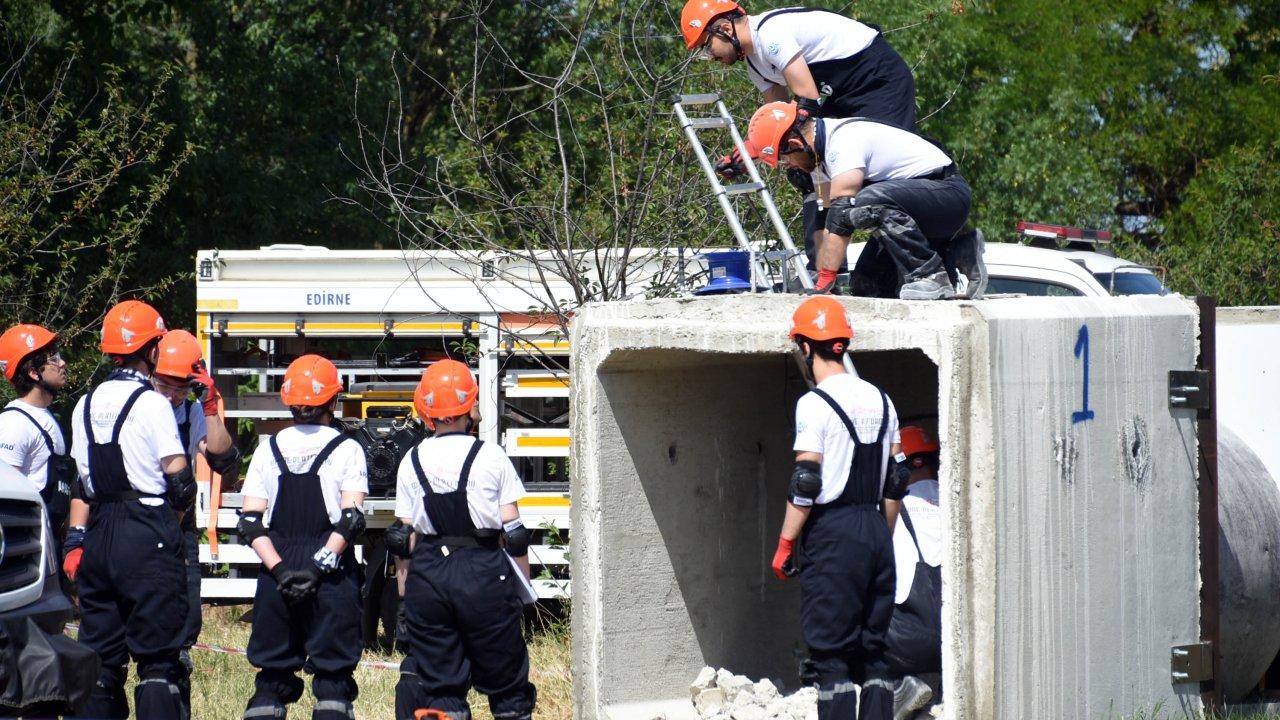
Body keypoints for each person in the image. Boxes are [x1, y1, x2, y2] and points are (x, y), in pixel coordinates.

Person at [680, 0, 917, 271]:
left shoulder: (770, 35)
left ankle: (941, 250)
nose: (710, 57)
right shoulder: (755, 65)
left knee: (876, 174)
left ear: (724, 29)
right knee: (808, 168)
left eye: (706, 46)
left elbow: (806, 103)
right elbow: (777, 122)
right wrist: (748, 153)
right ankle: (826, 270)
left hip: (879, 80)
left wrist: (764, 150)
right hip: (844, 92)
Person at [771, 296, 900, 720]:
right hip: (878, 531)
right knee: (874, 651)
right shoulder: (883, 400)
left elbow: (805, 481)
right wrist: (881, 534)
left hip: (834, 534)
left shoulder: (814, 403)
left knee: (832, 654)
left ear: (806, 347)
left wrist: (786, 542)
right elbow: (896, 481)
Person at [67, 299, 194, 719]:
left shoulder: (82, 405)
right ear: (152, 349)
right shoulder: (153, 403)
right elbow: (179, 482)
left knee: (101, 660)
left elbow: (83, 484)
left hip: (100, 531)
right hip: (146, 528)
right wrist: (168, 530)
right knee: (157, 662)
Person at [390, 359, 537, 720]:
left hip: (429, 573)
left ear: (424, 408)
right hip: (483, 570)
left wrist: (406, 598)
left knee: (440, 687)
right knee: (507, 686)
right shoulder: (491, 456)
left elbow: (401, 538)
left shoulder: (412, 459)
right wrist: (524, 592)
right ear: (471, 406)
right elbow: (514, 535)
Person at [238, 354, 368, 720]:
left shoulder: (268, 447)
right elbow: (350, 522)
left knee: (271, 681)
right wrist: (315, 569)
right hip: (330, 570)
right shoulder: (347, 448)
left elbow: (250, 522)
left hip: (276, 566)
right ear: (333, 399)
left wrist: (280, 571)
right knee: (332, 682)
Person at [747, 101, 972, 299]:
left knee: (865, 202)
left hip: (947, 195)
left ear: (795, 143)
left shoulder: (842, 142)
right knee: (867, 286)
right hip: (921, 207)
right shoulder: (820, 155)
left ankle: (930, 274)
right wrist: (823, 277)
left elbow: (840, 215)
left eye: (785, 159)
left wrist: (825, 280)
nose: (790, 166)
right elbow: (827, 219)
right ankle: (957, 251)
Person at [151, 329, 241, 689]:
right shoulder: (139, 406)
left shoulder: (191, 410)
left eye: (181, 387)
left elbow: (222, 459)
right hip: (141, 514)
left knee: (186, 595)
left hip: (179, 516)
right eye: (166, 385)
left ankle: (179, 661)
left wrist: (209, 404)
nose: (172, 395)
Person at [883, 427, 943, 719]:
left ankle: (898, 687)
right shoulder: (960, 504)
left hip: (907, 645)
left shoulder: (892, 510)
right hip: (954, 641)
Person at [0, 324, 74, 554]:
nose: (62, 364)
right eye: (54, 359)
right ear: (34, 373)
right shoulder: (14, 424)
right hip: (26, 551)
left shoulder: (44, 417)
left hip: (50, 544)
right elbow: (5, 499)